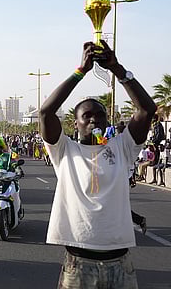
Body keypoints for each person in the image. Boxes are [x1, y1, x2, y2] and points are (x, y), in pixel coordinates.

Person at [40, 40, 156, 288]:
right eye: (86, 115)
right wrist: (80, 71)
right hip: (78, 263)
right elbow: (45, 113)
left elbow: (147, 110)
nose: (94, 119)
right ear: (76, 123)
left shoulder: (121, 147)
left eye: (99, 115)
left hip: (120, 263)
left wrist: (118, 69)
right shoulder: (64, 150)